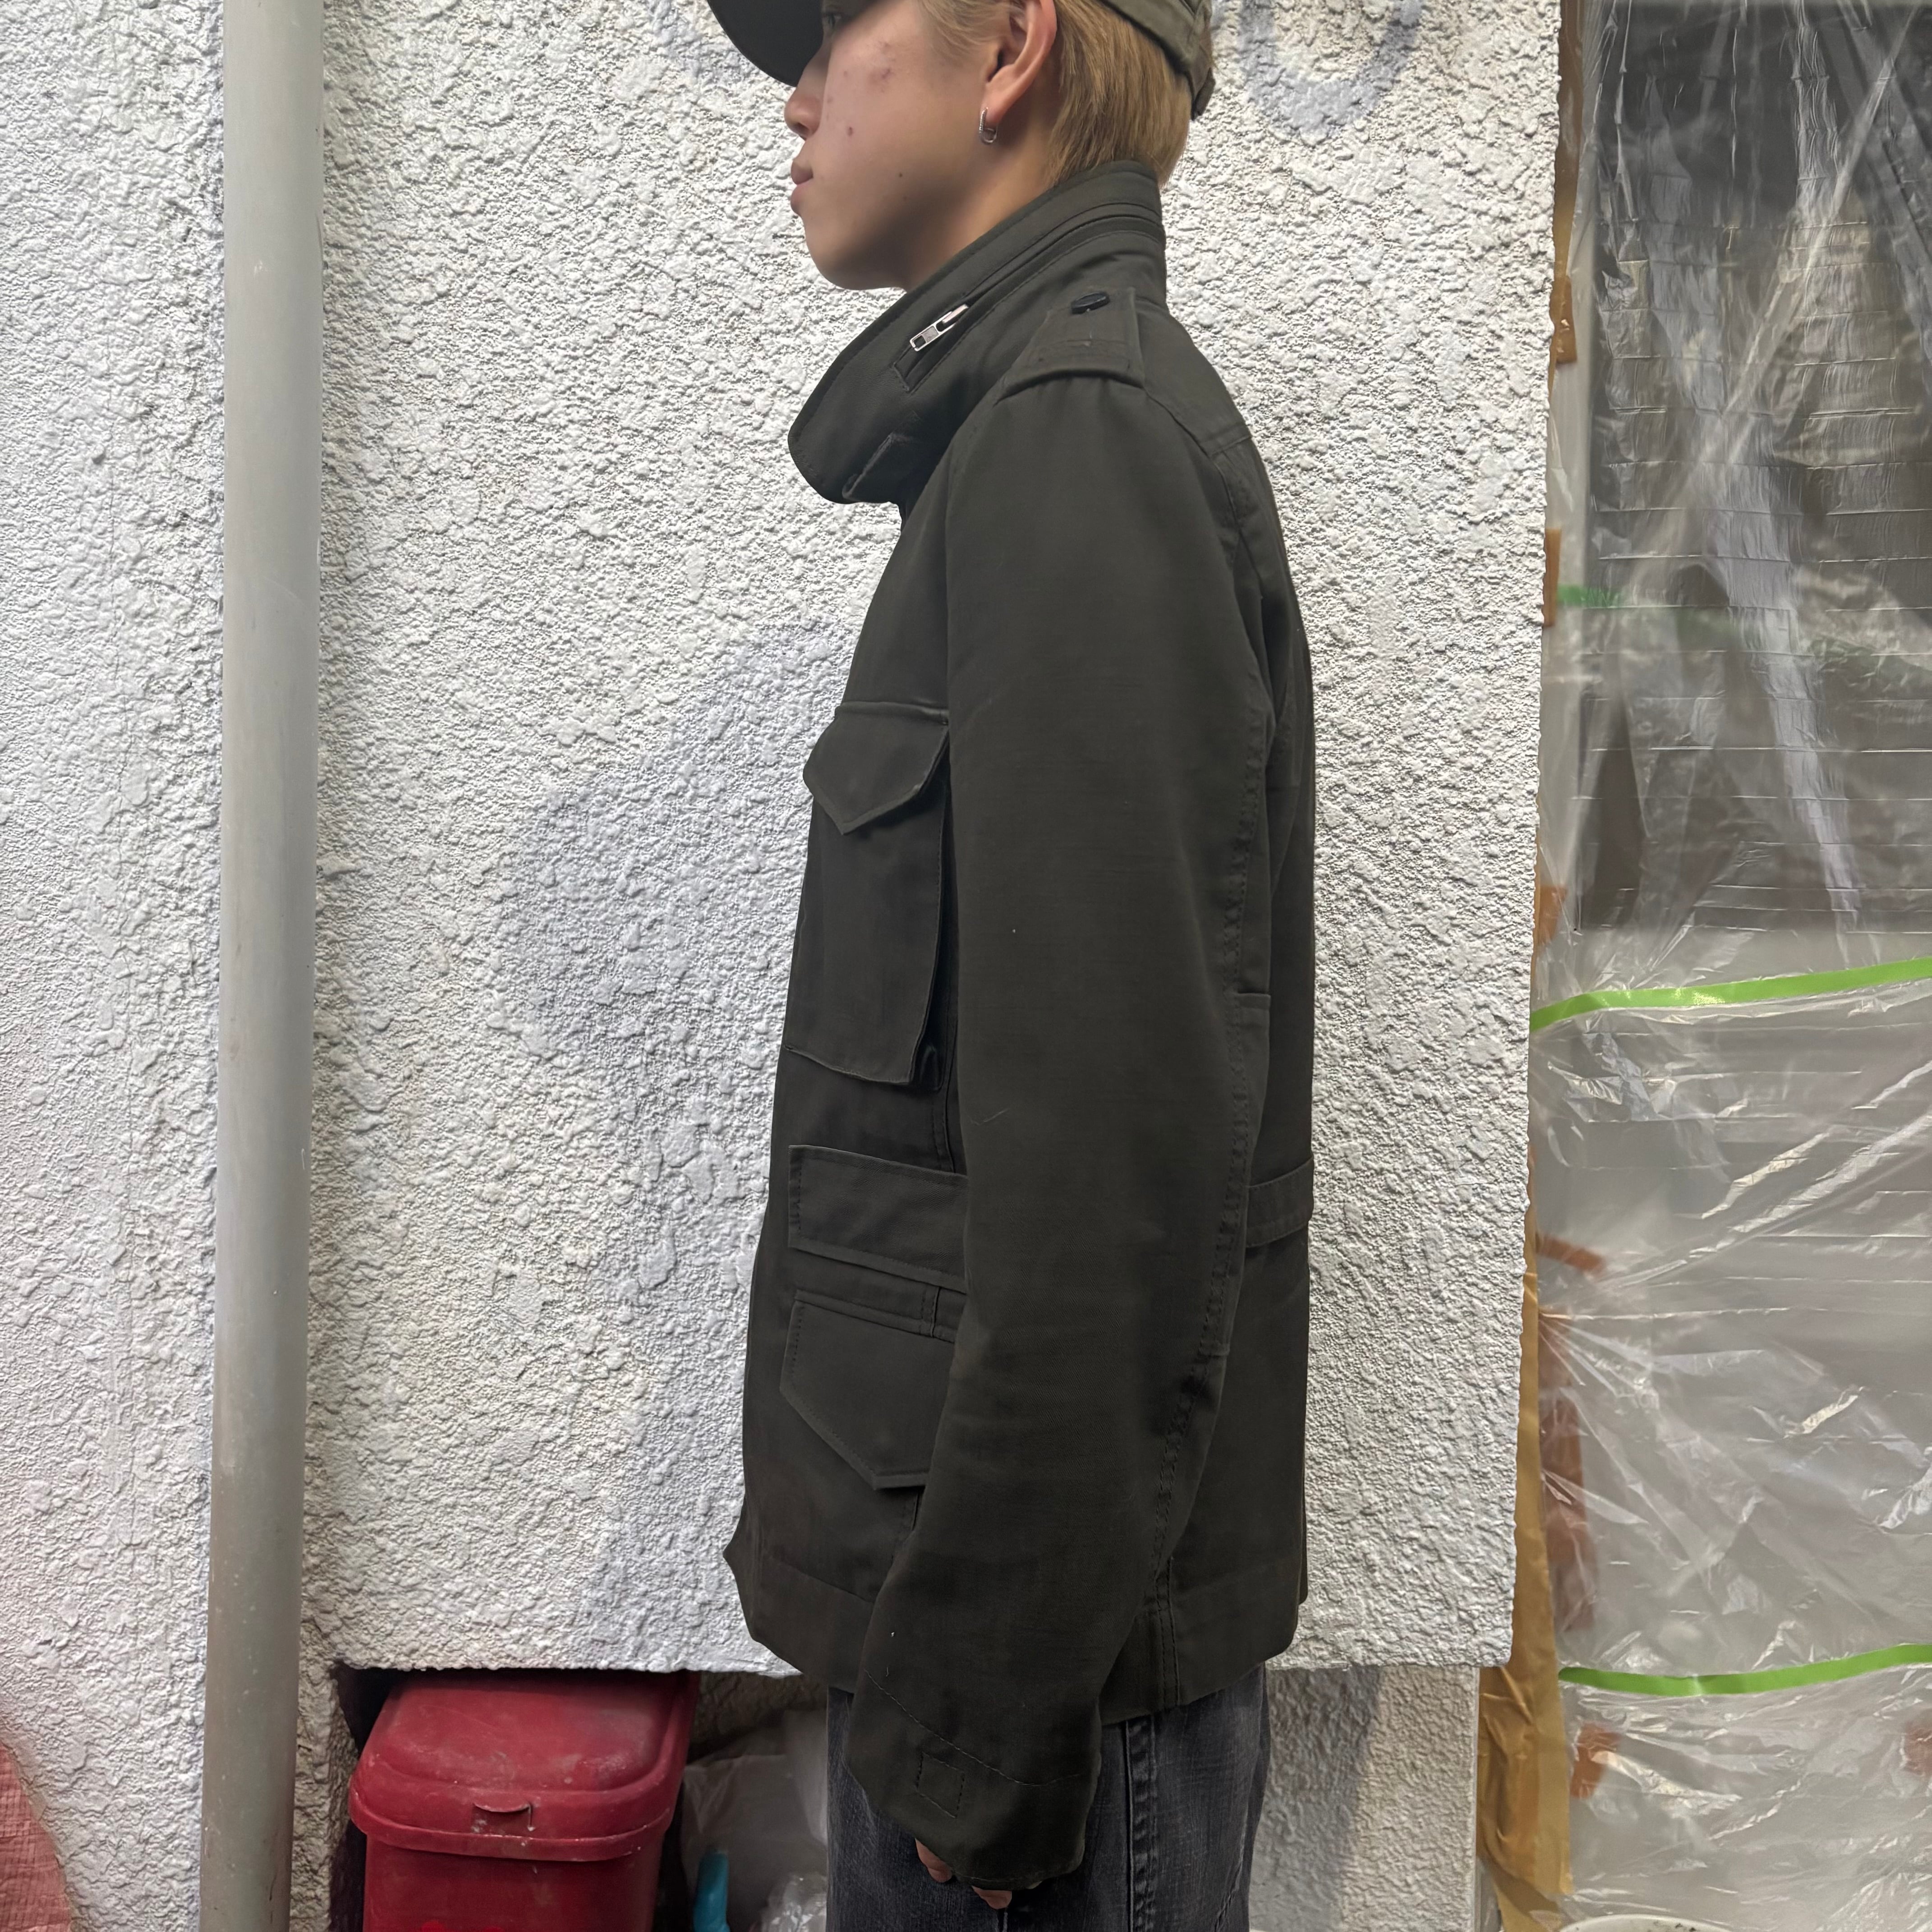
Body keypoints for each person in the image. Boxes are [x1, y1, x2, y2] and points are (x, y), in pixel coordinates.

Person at [702, 0, 1315, 1916]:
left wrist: (980, 1720)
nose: (796, 95)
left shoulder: (1074, 447)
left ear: (1011, 50)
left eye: (834, 28)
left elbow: (1117, 1174)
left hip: (1036, 1707)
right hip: (1000, 1659)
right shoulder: (1021, 441)